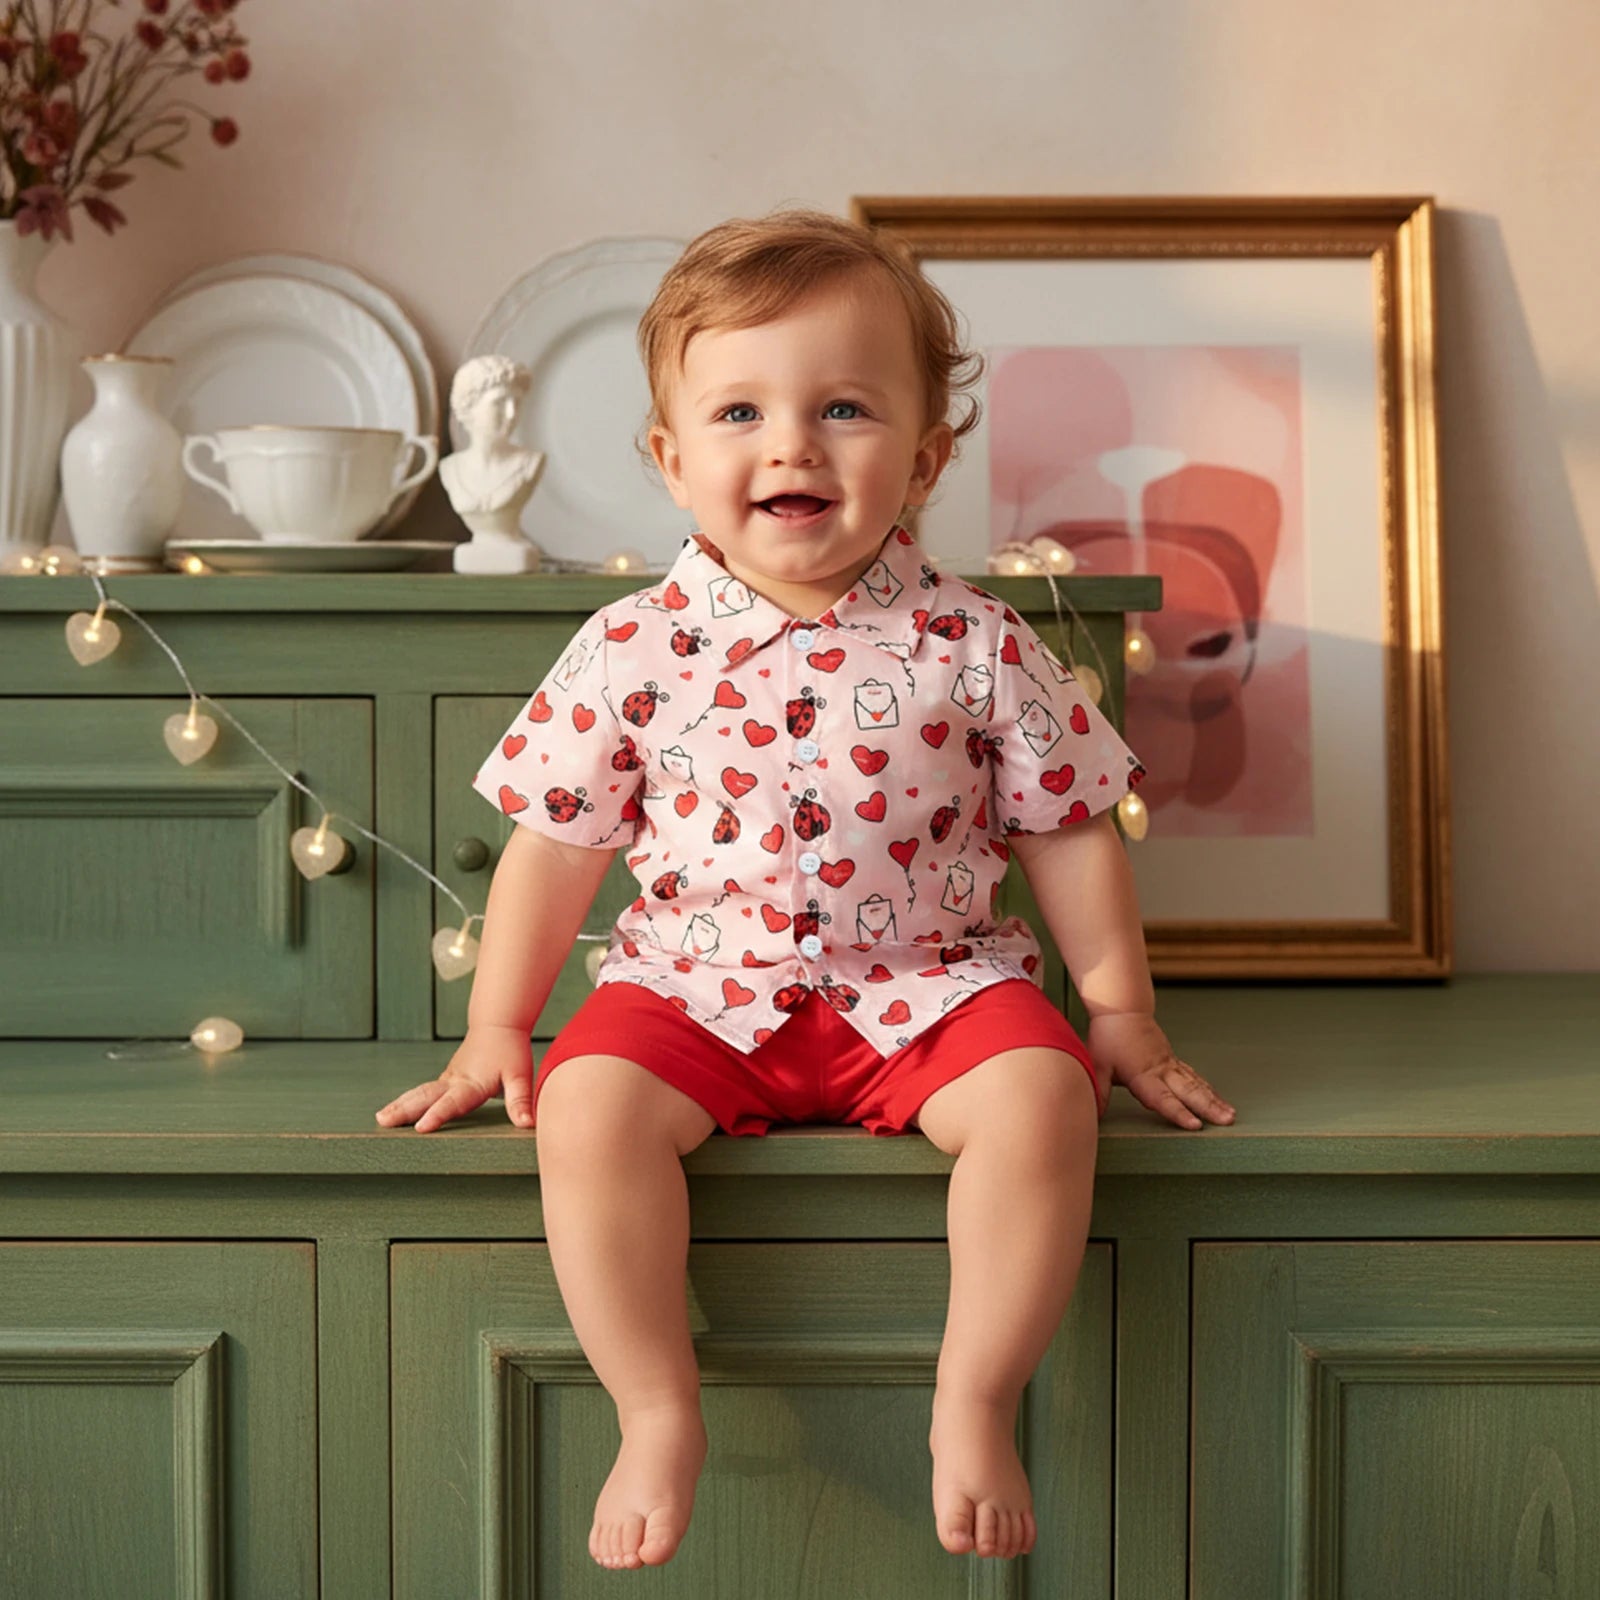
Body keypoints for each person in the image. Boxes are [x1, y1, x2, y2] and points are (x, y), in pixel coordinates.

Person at [375, 209, 1236, 1572]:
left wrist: (1119, 1014)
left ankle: (975, 1397)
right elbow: (555, 845)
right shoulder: (631, 647)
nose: (791, 445)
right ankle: (656, 1410)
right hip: (690, 990)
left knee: (1043, 1098)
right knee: (588, 1111)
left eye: (843, 407)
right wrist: (497, 1027)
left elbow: (1069, 832)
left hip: (934, 988)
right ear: (673, 459)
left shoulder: (977, 641)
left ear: (925, 457)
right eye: (739, 412)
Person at [438, 353, 546, 572]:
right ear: (469, 406)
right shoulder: (450, 469)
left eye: (517, 403)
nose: (511, 414)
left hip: (515, 555)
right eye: (499, 403)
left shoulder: (529, 463)